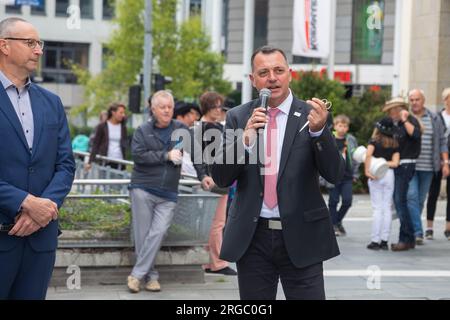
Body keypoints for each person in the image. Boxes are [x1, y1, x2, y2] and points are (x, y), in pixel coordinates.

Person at [211, 46, 345, 300]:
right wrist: (246, 140)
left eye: (278, 70)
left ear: (290, 74)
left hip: (302, 233)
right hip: (253, 237)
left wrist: (320, 132)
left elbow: (335, 173)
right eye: (263, 72)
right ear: (253, 79)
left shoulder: (311, 115)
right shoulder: (239, 117)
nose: (272, 77)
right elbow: (221, 178)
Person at [0, 17, 75, 299]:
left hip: (40, 241)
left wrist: (45, 209)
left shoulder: (51, 102)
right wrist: (25, 202)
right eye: (30, 43)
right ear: (4, 46)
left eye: (39, 44)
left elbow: (65, 165)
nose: (38, 50)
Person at [127, 90, 213, 293]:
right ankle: (151, 277)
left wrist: (203, 176)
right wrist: (166, 155)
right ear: (153, 109)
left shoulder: (181, 129)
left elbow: (197, 154)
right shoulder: (142, 130)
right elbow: (138, 156)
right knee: (143, 236)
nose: (167, 110)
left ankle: (137, 275)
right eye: (162, 107)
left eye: (170, 107)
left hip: (168, 193)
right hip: (143, 188)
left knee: (158, 232)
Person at [194, 91, 237, 276]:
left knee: (211, 222)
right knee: (217, 223)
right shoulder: (203, 128)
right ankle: (218, 263)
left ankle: (208, 262)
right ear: (207, 108)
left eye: (221, 106)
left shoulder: (210, 127)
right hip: (213, 179)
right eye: (216, 106)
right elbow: (199, 157)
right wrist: (204, 175)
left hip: (216, 177)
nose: (219, 110)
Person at [407, 89, 449, 245]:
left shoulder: (434, 118)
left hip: (429, 167)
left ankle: (412, 230)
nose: (414, 102)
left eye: (417, 99)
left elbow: (442, 141)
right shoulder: (407, 117)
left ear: (423, 101)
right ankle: (418, 232)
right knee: (411, 197)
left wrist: (445, 162)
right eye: (411, 100)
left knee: (419, 200)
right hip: (410, 166)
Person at [384, 97, 422, 251]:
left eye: (393, 109)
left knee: (400, 201)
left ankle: (405, 238)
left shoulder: (409, 120)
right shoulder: (396, 123)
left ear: (400, 109)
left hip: (406, 165)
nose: (390, 113)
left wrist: (405, 120)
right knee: (400, 202)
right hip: (400, 165)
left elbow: (416, 135)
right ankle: (409, 237)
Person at [365, 117, 400, 250]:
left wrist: (368, 171)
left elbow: (368, 155)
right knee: (387, 207)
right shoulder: (394, 143)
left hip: (375, 174)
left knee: (377, 208)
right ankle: (384, 241)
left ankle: (375, 240)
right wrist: (384, 163)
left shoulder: (373, 141)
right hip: (389, 174)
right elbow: (395, 163)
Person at [328, 114, 359, 236]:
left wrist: (355, 173)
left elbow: (356, 157)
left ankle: (337, 221)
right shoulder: (330, 137)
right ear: (335, 126)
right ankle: (333, 225)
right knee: (333, 201)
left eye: (345, 126)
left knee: (347, 201)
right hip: (333, 175)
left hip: (347, 176)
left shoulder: (350, 139)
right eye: (340, 125)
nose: (342, 128)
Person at [426, 87, 450, 240]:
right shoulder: (437, 117)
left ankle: (448, 227)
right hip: (437, 160)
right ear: (445, 99)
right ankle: (429, 227)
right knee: (433, 194)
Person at [85, 103, 128, 171]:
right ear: (113, 112)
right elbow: (95, 144)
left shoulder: (123, 127)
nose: (123, 115)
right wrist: (90, 162)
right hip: (106, 161)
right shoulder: (102, 126)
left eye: (124, 113)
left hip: (120, 162)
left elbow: (124, 144)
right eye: (121, 112)